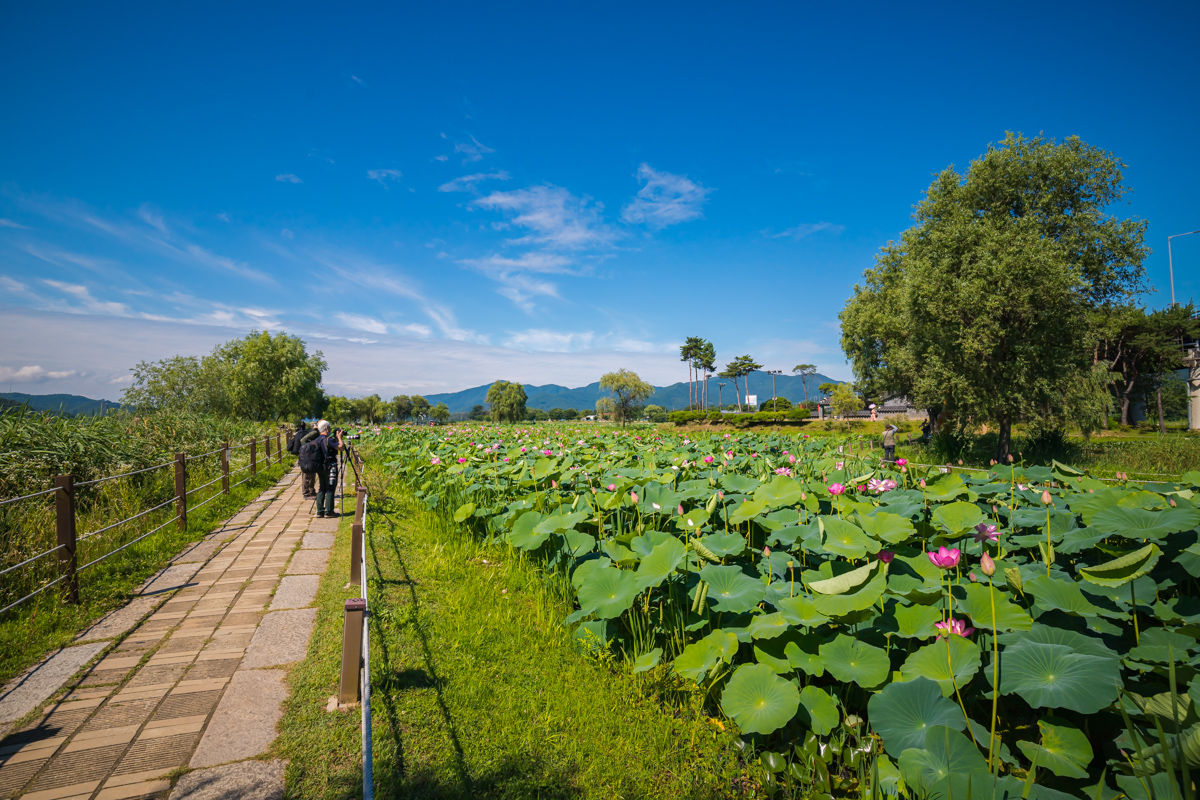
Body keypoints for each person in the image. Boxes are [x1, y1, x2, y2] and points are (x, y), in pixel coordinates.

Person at [314, 420, 343, 518]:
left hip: (320, 467)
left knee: (322, 487)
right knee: (330, 487)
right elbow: (341, 447)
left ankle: (319, 511)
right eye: (329, 427)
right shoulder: (328, 440)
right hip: (330, 466)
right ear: (326, 428)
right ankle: (329, 511)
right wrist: (339, 438)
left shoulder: (317, 439)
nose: (330, 429)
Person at [298, 424, 320, 498]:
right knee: (307, 475)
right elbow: (302, 440)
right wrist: (307, 449)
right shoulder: (315, 433)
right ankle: (306, 492)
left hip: (310, 455)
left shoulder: (315, 433)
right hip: (307, 455)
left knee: (311, 474)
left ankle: (311, 491)